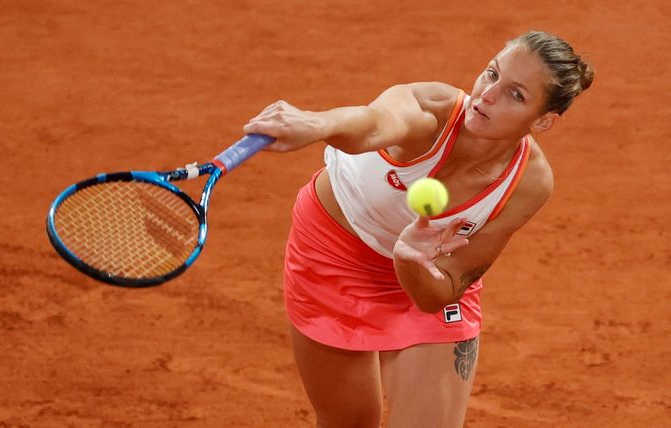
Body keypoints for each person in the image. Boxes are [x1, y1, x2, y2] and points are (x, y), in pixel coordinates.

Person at [244, 31, 594, 428]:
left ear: (544, 121)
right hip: (331, 254)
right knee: (350, 421)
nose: (488, 95)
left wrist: (410, 261)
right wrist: (316, 123)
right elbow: (372, 125)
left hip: (425, 273)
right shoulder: (434, 109)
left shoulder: (529, 184)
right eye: (492, 74)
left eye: (516, 95)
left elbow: (441, 291)